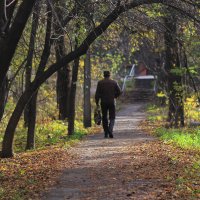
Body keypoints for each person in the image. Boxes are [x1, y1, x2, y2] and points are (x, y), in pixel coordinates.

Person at [95, 71, 122, 138]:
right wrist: (115, 96)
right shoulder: (114, 82)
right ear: (110, 75)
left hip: (103, 102)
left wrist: (97, 103)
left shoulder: (100, 83)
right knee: (112, 117)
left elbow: (97, 94)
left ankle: (106, 132)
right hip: (112, 102)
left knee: (104, 117)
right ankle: (110, 129)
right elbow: (119, 91)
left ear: (104, 75)